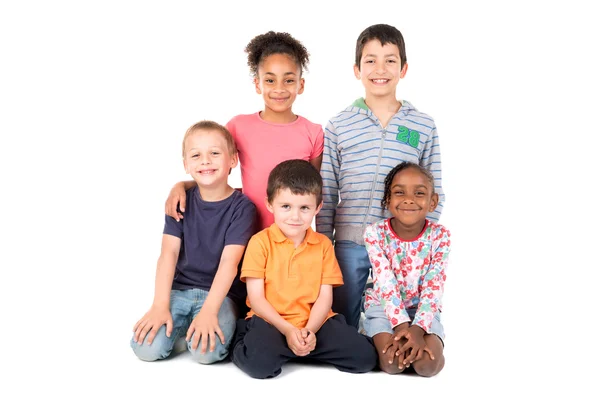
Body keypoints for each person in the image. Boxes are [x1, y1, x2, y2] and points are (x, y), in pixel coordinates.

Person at [316, 24, 446, 329]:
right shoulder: (339, 125)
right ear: (356, 69)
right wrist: (322, 244)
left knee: (395, 323)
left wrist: (422, 240)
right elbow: (327, 189)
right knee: (342, 324)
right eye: (370, 60)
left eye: (390, 60)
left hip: (402, 247)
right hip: (350, 243)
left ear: (403, 69)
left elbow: (434, 187)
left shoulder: (422, 125)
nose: (380, 69)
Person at [231, 160, 377, 379]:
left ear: (317, 208)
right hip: (271, 321)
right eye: (286, 206)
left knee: (365, 358)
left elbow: (325, 298)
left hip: (315, 322)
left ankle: (301, 347)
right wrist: (289, 330)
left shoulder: (323, 245)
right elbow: (257, 299)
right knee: (259, 365)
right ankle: (261, 342)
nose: (295, 216)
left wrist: (309, 330)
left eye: (304, 208)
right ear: (270, 204)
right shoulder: (259, 242)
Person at [165, 31, 324, 231]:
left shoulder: (313, 133)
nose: (279, 89)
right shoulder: (238, 127)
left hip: (294, 237)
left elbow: (314, 190)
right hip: (246, 234)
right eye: (270, 80)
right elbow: (215, 173)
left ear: (301, 85)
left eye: (289, 80)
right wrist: (181, 185)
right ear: (257, 84)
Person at [130, 121, 257, 364]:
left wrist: (210, 311)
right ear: (186, 165)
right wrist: (159, 305)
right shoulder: (179, 201)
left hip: (221, 295)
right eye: (196, 155)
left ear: (232, 160)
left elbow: (229, 263)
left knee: (206, 354)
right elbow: (168, 254)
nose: (205, 161)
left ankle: (197, 328)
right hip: (180, 290)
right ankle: (182, 331)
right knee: (145, 348)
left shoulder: (242, 208)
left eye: (215, 153)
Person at [363, 161, 450, 376]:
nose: (409, 199)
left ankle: (425, 340)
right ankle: (370, 330)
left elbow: (434, 285)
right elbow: (385, 283)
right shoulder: (375, 233)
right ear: (387, 200)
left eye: (419, 193)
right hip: (383, 309)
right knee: (393, 363)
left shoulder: (440, 236)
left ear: (433, 202)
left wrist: (418, 329)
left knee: (427, 366)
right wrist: (403, 328)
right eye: (399, 192)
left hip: (424, 311)